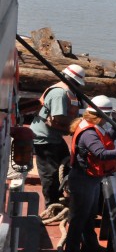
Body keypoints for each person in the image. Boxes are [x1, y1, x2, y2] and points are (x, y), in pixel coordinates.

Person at [64, 95, 116, 252]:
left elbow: (107, 141)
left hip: (91, 180)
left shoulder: (95, 128)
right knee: (79, 217)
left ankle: (90, 245)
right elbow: (101, 153)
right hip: (83, 180)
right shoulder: (89, 134)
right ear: (100, 117)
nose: (108, 121)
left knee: (90, 214)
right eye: (107, 117)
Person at [30, 64, 86, 209]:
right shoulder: (59, 93)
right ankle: (52, 206)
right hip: (44, 138)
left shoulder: (68, 92)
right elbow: (59, 118)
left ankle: (63, 196)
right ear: (70, 80)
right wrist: (80, 124)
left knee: (67, 164)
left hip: (55, 136)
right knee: (50, 174)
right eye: (76, 83)